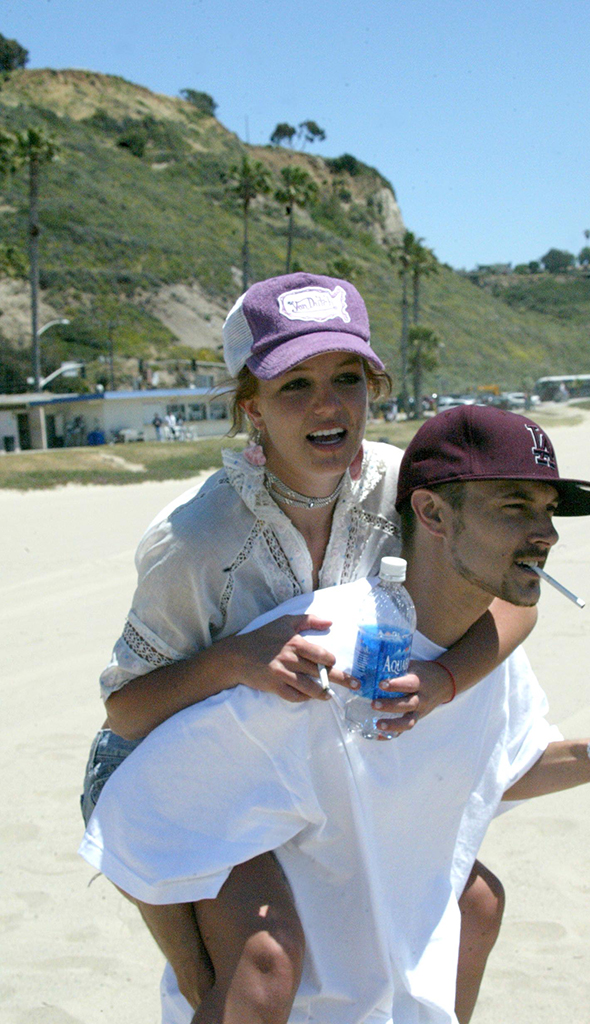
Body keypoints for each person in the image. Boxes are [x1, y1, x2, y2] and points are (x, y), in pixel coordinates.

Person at [80, 405, 590, 1024]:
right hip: (311, 953)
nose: (547, 533)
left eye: (548, 510)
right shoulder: (321, 655)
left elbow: (483, 768)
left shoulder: (488, 654)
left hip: (387, 946)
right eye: (514, 507)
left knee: (479, 904)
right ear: (430, 513)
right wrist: (200, 967)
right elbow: (145, 800)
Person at [80, 274, 535, 1020]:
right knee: (259, 969)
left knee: (474, 904)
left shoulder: (407, 488)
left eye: (347, 378)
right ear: (250, 407)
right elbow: (124, 715)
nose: (327, 404)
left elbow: (518, 596)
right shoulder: (197, 541)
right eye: (294, 384)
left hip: (319, 766)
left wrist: (443, 680)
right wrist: (238, 658)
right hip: (174, 779)